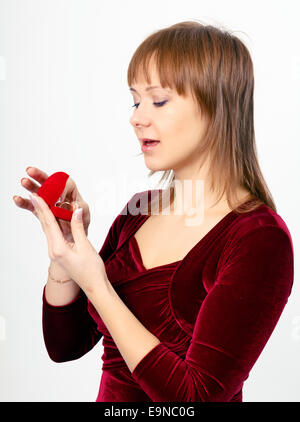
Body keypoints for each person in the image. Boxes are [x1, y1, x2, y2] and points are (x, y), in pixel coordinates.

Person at [13, 21, 294, 402]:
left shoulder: (259, 238)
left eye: (158, 101)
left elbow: (198, 397)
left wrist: (96, 283)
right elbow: (66, 346)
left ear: (217, 105)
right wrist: (64, 252)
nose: (136, 117)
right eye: (135, 101)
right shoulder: (137, 214)